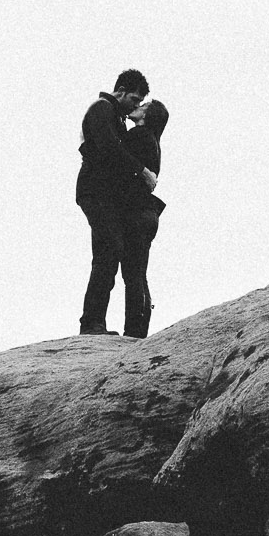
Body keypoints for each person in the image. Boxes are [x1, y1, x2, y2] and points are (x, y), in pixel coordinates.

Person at [75, 69, 168, 337]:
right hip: (96, 193)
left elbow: (114, 152)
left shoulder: (122, 121)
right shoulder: (102, 108)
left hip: (109, 198)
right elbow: (108, 146)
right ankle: (93, 323)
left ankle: (96, 323)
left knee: (114, 256)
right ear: (122, 91)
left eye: (142, 103)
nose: (137, 105)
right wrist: (142, 170)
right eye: (135, 99)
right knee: (110, 253)